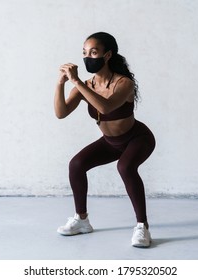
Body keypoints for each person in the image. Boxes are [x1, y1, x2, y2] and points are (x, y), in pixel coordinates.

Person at [54, 32, 156, 247]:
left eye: (94, 52)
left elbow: (106, 107)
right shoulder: (86, 86)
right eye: (84, 53)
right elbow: (61, 113)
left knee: (126, 167)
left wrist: (76, 82)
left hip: (137, 138)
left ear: (107, 55)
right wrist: (61, 84)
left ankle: (142, 227)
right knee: (77, 164)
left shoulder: (124, 83)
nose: (88, 57)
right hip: (111, 142)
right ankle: (82, 220)